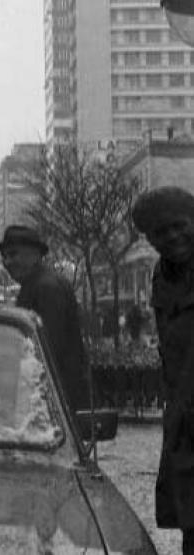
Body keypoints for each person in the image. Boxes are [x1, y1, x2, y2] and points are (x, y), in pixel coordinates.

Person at [131, 186, 194, 552]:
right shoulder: (163, 275)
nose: (171, 237)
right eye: (159, 232)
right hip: (186, 424)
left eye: (178, 226)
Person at [0, 225, 90, 410]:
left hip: (54, 399)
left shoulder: (46, 288)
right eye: (5, 257)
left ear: (35, 254)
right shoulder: (35, 285)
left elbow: (47, 349)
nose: (7, 262)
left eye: (13, 254)